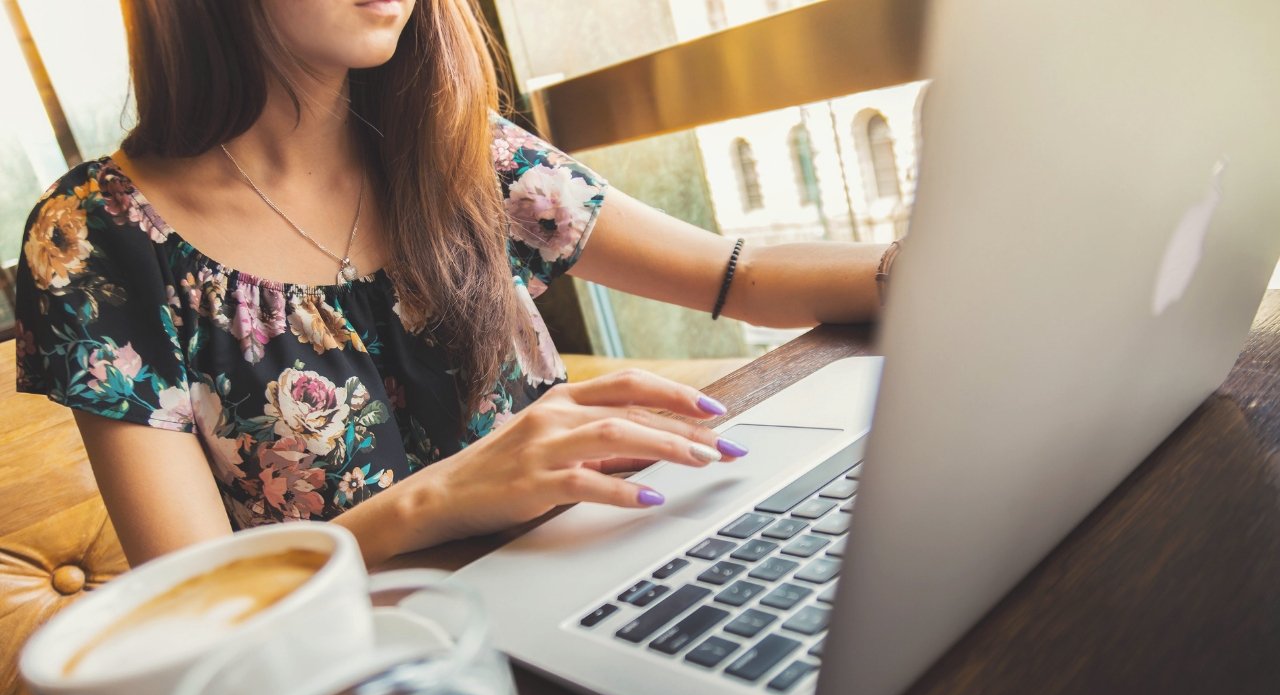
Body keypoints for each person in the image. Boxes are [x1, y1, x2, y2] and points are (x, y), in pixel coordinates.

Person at [13, 0, 891, 569]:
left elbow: (734, 276)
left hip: (594, 575)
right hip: (369, 685)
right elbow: (195, 598)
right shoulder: (96, 237)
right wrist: (439, 499)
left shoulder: (455, 144)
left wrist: (928, 267)